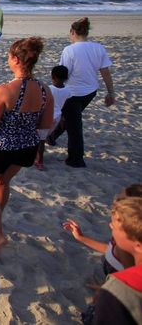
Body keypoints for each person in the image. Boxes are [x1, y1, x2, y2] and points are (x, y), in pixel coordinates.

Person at [0, 37, 54, 262]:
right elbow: (45, 126)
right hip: (26, 147)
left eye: (8, 56)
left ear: (16, 59)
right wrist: (36, 149)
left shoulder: (5, 90)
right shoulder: (45, 91)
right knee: (4, 182)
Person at [47, 17, 116, 168]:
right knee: (70, 118)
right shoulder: (98, 48)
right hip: (90, 91)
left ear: (72, 32)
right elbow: (105, 72)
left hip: (72, 93)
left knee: (74, 125)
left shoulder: (69, 50)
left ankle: (76, 159)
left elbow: (64, 73)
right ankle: (52, 137)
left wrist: (55, 88)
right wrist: (111, 93)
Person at [63, 185, 142, 277]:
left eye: (120, 201)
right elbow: (110, 250)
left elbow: (130, 280)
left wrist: (111, 287)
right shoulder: (124, 238)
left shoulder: (130, 266)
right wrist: (81, 238)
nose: (115, 204)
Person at [92, 196, 142, 324]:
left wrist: (108, 292)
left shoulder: (119, 290)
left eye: (115, 226)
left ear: (138, 245)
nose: (110, 225)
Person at [34, 65, 73, 170]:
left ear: (52, 76)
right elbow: (64, 106)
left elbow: (43, 103)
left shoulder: (49, 89)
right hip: (57, 117)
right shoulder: (68, 91)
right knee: (43, 137)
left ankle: (39, 161)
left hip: (46, 117)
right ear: (66, 78)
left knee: (40, 140)